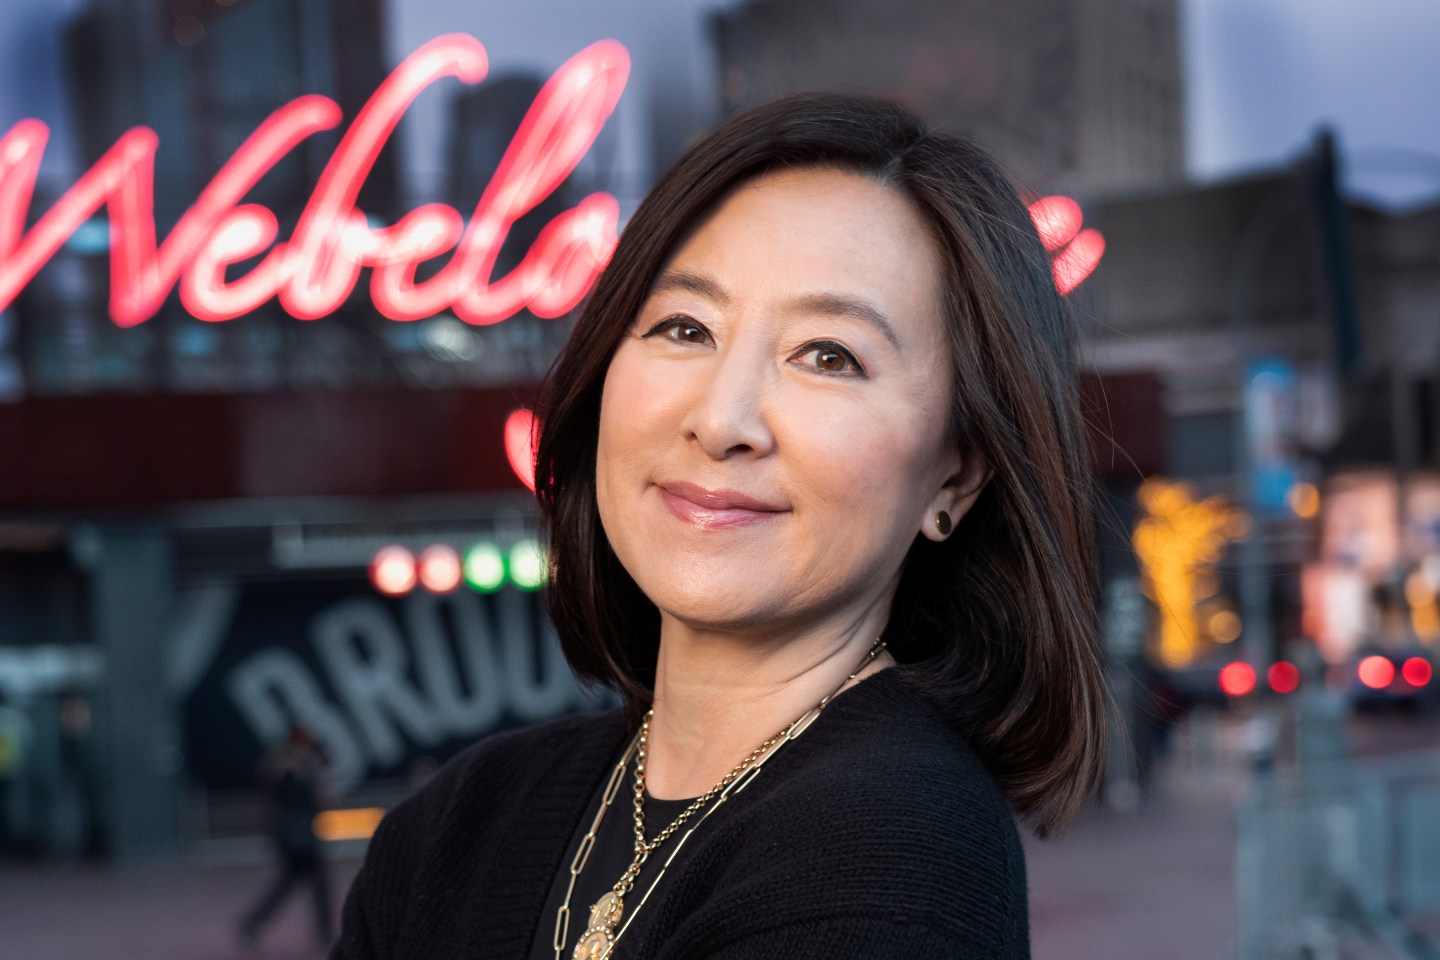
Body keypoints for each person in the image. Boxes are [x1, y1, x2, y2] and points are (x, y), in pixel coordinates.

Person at [331, 93, 1107, 960]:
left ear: (955, 474)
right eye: (684, 326)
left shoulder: (892, 855)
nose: (722, 417)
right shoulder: (456, 826)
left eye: (829, 356)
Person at [240, 724, 334, 949]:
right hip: (296, 835)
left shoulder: (292, 762)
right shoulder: (287, 764)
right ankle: (325, 934)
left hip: (297, 833)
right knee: (315, 885)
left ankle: (252, 925)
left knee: (289, 885)